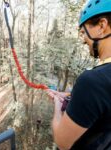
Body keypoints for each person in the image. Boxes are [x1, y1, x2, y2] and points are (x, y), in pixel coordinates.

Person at [47, 0, 111, 149]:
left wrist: (57, 106)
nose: (83, 41)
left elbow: (62, 142)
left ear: (102, 26)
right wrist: (71, 97)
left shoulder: (93, 81)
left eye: (83, 32)